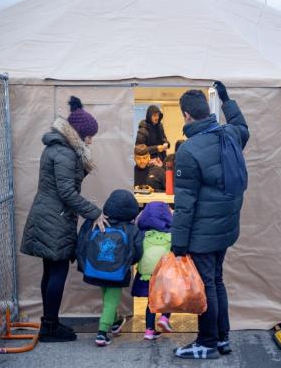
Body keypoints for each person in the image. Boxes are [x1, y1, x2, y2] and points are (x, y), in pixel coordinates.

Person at [170, 82, 249, 359]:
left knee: (207, 286)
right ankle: (222, 339)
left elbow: (184, 204)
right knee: (216, 281)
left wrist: (178, 244)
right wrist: (227, 100)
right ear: (207, 111)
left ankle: (206, 342)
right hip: (226, 228)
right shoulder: (230, 135)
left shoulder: (188, 151)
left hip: (203, 233)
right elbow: (242, 125)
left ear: (187, 116)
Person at [20, 96, 108, 343]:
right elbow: (67, 193)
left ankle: (50, 323)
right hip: (55, 218)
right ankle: (50, 327)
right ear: (78, 133)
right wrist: (95, 212)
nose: (91, 140)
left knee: (50, 270)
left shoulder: (60, 149)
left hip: (49, 215)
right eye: (89, 135)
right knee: (56, 270)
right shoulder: (65, 154)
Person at [76, 189, 143, 347]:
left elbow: (82, 243)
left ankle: (114, 322)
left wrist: (84, 264)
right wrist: (127, 264)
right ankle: (102, 333)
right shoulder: (131, 228)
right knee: (111, 301)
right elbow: (138, 251)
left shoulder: (96, 222)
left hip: (96, 269)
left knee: (107, 298)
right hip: (117, 271)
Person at [131, 201, 174, 340]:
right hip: (165, 275)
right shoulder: (171, 234)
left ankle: (149, 331)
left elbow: (136, 252)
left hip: (146, 275)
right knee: (168, 298)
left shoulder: (142, 234)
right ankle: (164, 317)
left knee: (151, 302)